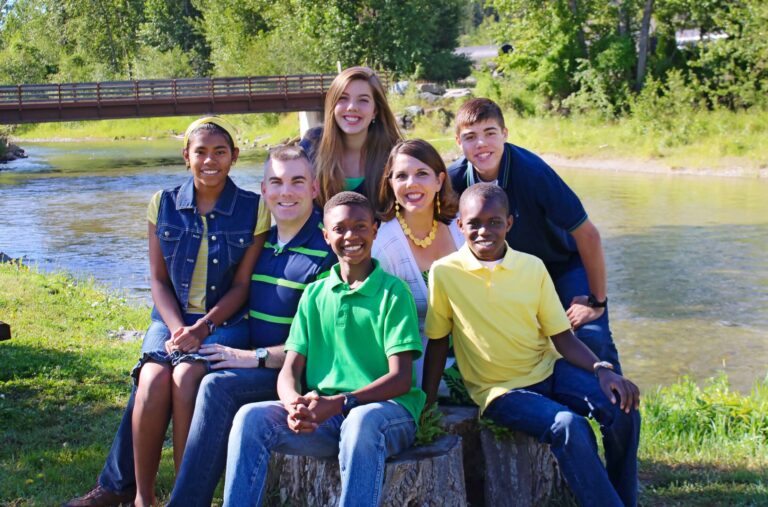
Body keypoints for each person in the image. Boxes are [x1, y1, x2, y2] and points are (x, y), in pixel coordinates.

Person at [63, 117, 272, 507]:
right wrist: (179, 329)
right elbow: (157, 281)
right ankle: (141, 497)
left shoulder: (254, 208)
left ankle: (183, 494)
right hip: (169, 319)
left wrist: (203, 327)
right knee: (153, 378)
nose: (210, 160)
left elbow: (242, 286)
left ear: (234, 157)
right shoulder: (163, 203)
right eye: (201, 152)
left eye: (220, 152)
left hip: (223, 321)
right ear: (186, 157)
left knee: (187, 376)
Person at [422, 183, 641, 507]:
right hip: (501, 391)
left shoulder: (532, 267)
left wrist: (602, 369)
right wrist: (425, 406)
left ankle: (623, 498)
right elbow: (438, 341)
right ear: (460, 226)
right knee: (568, 426)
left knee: (622, 408)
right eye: (474, 223)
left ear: (509, 223)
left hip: (549, 370)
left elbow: (562, 336)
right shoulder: (445, 273)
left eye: (495, 222)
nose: (485, 230)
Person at [223, 192, 425, 506]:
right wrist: (293, 404)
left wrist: (340, 402)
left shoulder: (393, 293)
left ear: (374, 229)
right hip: (327, 418)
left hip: (387, 415)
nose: (351, 236)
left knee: (361, 422)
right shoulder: (315, 294)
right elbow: (291, 368)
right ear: (326, 235)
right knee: (251, 418)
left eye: (360, 226)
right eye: (340, 228)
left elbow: (400, 380)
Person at [166, 145, 337, 505]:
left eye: (297, 181)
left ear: (315, 189)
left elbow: (322, 346)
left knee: (218, 388)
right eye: (275, 182)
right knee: (190, 371)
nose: (285, 192)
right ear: (263, 190)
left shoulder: (327, 250)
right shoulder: (262, 242)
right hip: (258, 362)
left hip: (299, 379)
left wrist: (253, 357)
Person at [448, 98, 622, 373]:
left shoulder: (534, 174)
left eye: (490, 133)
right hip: (509, 275)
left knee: (590, 336)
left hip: (560, 264)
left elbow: (588, 235)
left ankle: (618, 406)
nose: (481, 144)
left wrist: (597, 302)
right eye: (470, 137)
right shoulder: (452, 181)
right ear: (459, 142)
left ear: (505, 134)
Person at [373, 139, 463, 384]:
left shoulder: (462, 227)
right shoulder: (383, 246)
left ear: (439, 180)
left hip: (473, 351)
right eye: (401, 176)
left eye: (422, 174)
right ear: (390, 184)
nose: (411, 183)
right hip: (418, 367)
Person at [300, 66, 402, 211]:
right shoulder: (312, 144)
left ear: (375, 110)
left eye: (363, 100)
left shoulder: (394, 154)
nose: (352, 107)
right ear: (332, 105)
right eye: (343, 98)